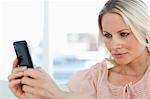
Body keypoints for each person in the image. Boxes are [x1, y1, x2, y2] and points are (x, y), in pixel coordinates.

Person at [8, 0, 150, 99]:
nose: (114, 45)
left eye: (124, 34)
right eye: (107, 35)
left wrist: (59, 96)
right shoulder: (93, 79)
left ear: (145, 31)